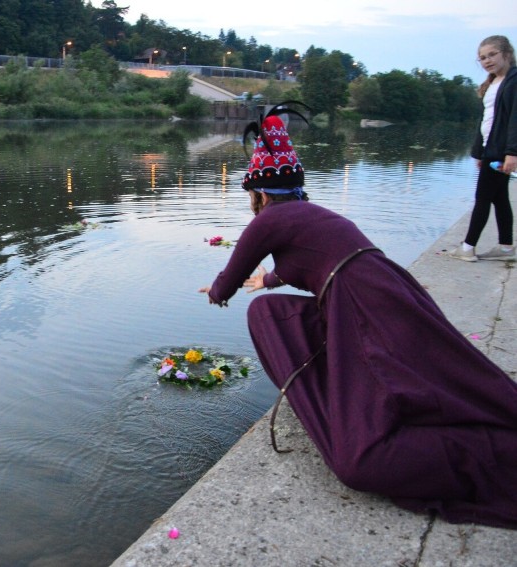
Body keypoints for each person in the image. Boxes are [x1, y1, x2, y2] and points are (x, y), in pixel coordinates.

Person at [198, 106, 517, 529]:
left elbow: (229, 279)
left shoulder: (269, 219)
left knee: (362, 461)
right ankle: (349, 397)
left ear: (257, 193)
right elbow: (311, 262)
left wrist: (219, 291)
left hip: (362, 305)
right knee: (273, 312)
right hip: (389, 289)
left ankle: (485, 451)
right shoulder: (313, 214)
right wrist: (270, 282)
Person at [449, 35, 517, 262]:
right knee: (499, 198)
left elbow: (514, 119)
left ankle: (467, 248)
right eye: (482, 58)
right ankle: (506, 247)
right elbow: (486, 121)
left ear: (507, 54)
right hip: (491, 149)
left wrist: (512, 152)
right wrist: (479, 152)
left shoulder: (514, 81)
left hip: (500, 150)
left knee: (482, 198)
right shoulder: (494, 82)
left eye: (492, 55)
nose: (487, 61)